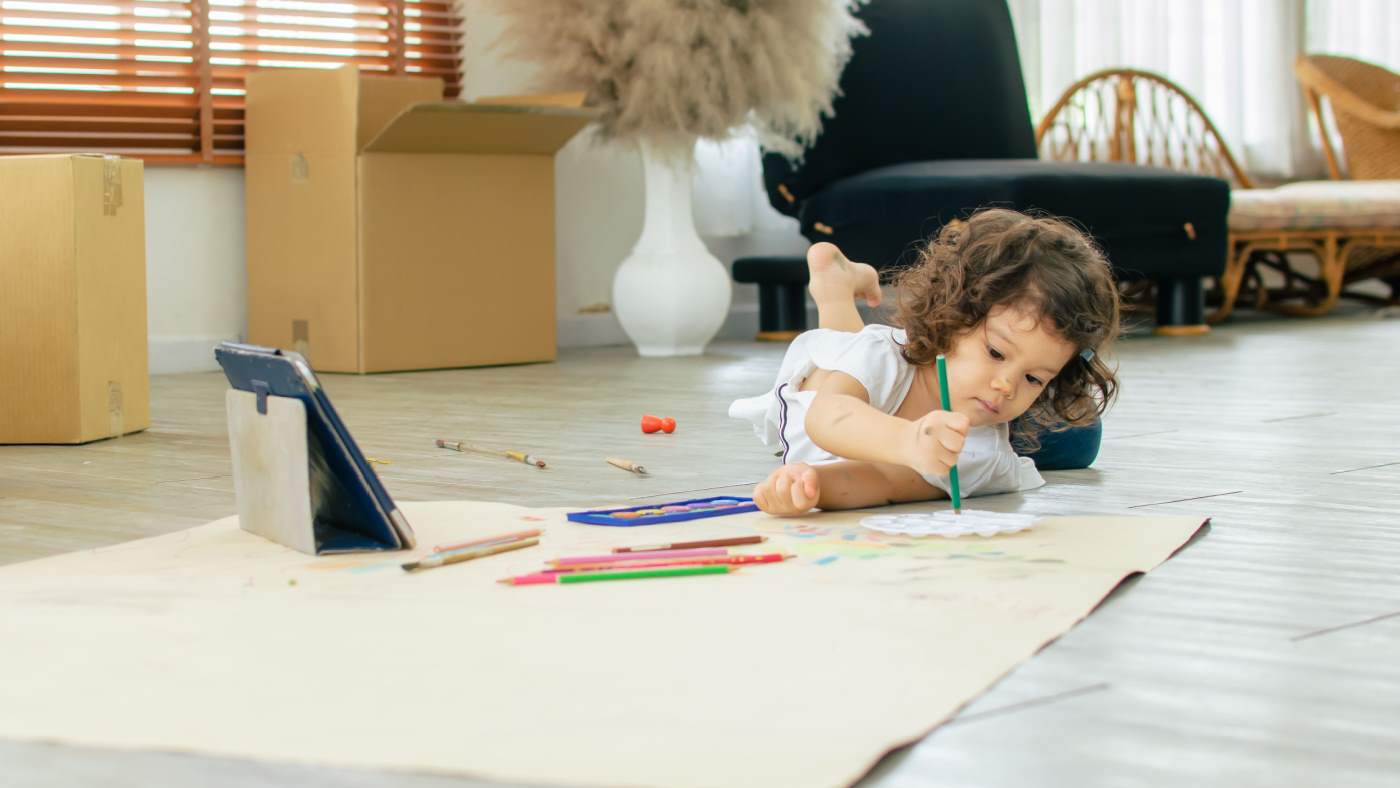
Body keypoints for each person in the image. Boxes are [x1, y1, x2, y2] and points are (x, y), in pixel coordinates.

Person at [729, 208, 1121, 515]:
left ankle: (839, 284)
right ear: (953, 319)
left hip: (860, 415)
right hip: (834, 388)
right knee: (846, 351)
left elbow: (881, 483)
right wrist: (907, 440)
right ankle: (833, 292)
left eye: (1034, 378)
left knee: (1080, 434)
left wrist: (810, 485)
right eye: (996, 353)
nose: (1007, 386)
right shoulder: (882, 357)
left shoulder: (981, 457)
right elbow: (827, 417)